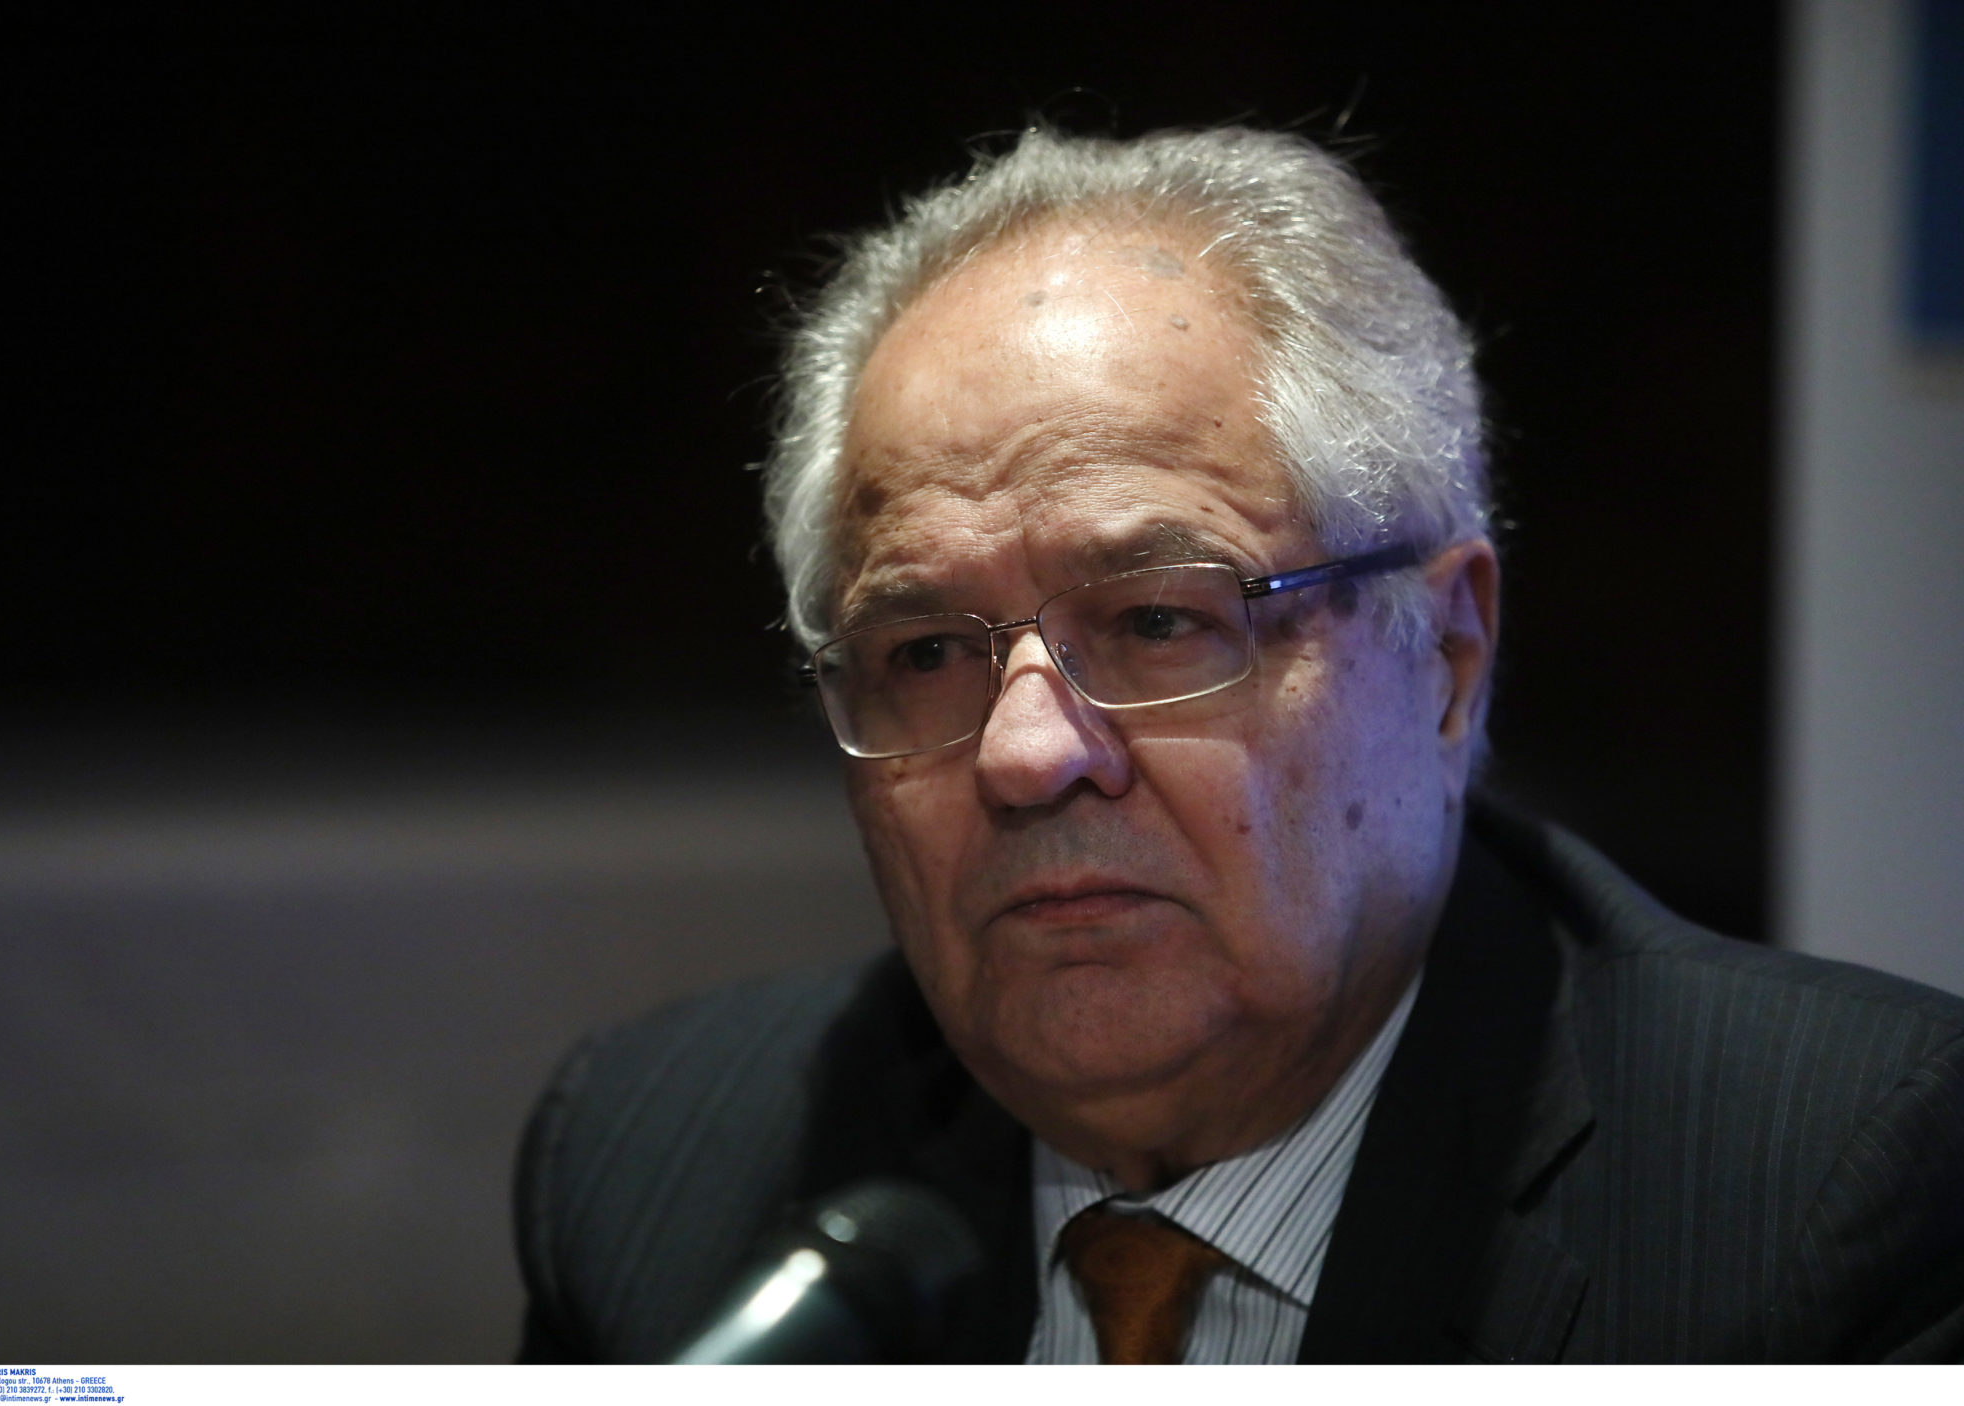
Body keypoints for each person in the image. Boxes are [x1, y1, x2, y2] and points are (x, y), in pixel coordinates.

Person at [514, 126, 1964, 1363]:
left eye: (1158, 620)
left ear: (1447, 657)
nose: (1024, 753)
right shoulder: (659, 1179)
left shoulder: (1832, 1190)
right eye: (929, 652)